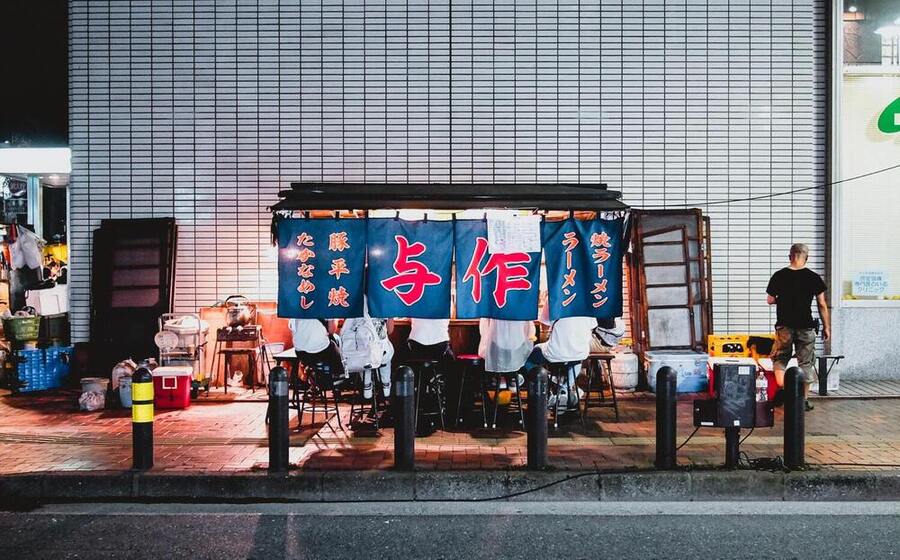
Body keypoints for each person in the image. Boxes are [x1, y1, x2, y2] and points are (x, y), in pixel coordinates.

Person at [766, 243, 829, 412]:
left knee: (780, 358)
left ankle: (784, 389)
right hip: (805, 326)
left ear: (790, 257)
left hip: (784, 326)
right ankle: (804, 400)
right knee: (806, 362)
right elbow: (822, 304)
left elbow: (770, 300)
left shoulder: (779, 275)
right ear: (806, 258)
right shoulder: (813, 277)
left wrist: (783, 300)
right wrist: (827, 327)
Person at [528, 292, 596, 408]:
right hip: (580, 353)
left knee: (529, 358)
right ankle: (565, 388)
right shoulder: (586, 298)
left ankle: (551, 383)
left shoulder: (554, 296)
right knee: (575, 359)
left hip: (556, 352)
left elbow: (544, 325)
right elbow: (592, 326)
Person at [341, 300, 394, 400]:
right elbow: (390, 330)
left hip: (360, 357)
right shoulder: (384, 303)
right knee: (386, 350)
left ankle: (367, 384)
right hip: (381, 354)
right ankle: (386, 385)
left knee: (364, 352)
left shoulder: (354, 303)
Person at [478, 318, 535, 401]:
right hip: (519, 350)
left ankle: (500, 378)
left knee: (491, 345)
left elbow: (484, 332)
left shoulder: (489, 309)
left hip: (495, 349)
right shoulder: (524, 308)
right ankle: (513, 377)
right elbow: (530, 330)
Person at [288, 318, 345, 384]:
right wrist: (334, 320)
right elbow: (331, 331)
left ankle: (309, 374)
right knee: (334, 345)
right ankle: (339, 376)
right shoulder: (327, 311)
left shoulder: (295, 311)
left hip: (300, 352)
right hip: (320, 351)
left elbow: (292, 328)